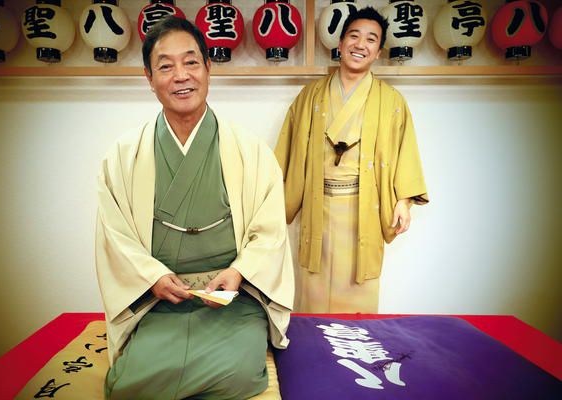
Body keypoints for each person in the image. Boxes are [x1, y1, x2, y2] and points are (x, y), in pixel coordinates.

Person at [95, 17, 293, 400]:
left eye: (190, 62)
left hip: (231, 301)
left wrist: (239, 272)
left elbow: (269, 232)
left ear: (207, 67)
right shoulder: (123, 155)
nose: (181, 76)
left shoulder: (250, 150)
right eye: (165, 66)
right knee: (128, 387)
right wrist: (152, 276)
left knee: (240, 376)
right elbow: (115, 235)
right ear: (149, 77)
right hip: (159, 300)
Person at [275, 7, 428, 314]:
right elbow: (286, 153)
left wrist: (403, 201)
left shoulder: (391, 101)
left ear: (379, 51)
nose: (360, 45)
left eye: (371, 40)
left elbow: (405, 152)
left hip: (365, 207)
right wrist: (271, 199)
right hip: (318, 205)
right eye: (354, 36)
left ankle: (355, 343)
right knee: (314, 290)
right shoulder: (310, 96)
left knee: (358, 298)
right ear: (341, 42)